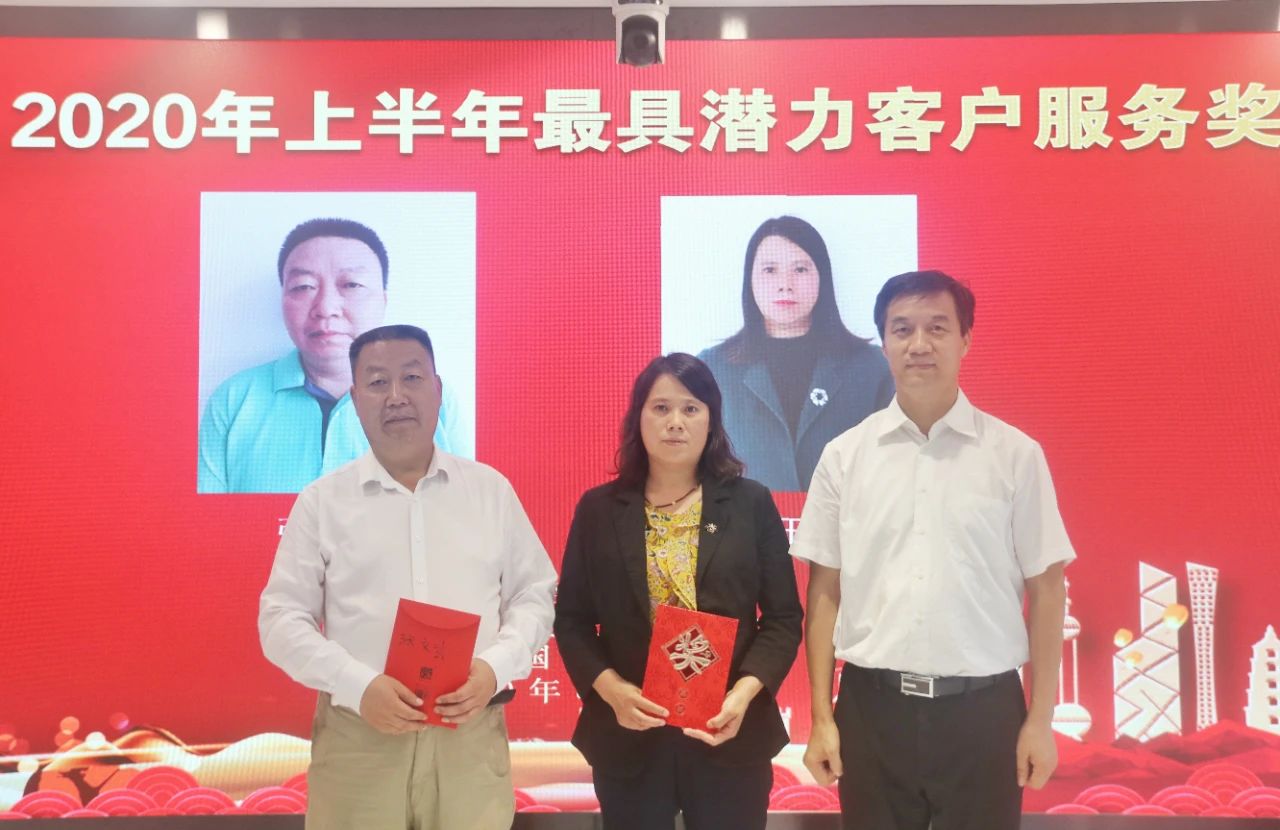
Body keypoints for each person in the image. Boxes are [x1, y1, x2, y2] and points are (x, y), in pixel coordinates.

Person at [792, 270, 1074, 830]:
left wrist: (1040, 720)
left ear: (965, 339)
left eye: (938, 328)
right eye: (902, 329)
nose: (919, 344)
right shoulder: (844, 456)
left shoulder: (1015, 456)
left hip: (984, 715)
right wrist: (821, 718)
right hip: (872, 711)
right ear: (883, 342)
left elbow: (1047, 590)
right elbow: (824, 593)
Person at [259, 324, 556, 830]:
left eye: (412, 378)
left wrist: (494, 668)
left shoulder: (490, 492)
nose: (396, 396)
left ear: (438, 389)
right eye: (377, 382)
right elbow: (280, 621)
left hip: (469, 738)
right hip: (360, 738)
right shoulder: (322, 502)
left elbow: (535, 594)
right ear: (355, 399)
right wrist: (357, 684)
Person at [554, 353, 803, 830]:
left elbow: (783, 619)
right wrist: (612, 690)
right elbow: (572, 621)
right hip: (629, 736)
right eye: (660, 407)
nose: (675, 422)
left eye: (691, 408)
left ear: (711, 420)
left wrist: (742, 695)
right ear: (638, 417)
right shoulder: (599, 509)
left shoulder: (750, 502)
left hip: (728, 733)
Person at [198, 217, 463, 493]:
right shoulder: (234, 400)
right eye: (304, 286)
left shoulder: (435, 399)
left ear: (383, 301)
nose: (326, 308)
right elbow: (205, 517)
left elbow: (467, 511)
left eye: (352, 285)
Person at [698, 216, 893, 493]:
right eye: (770, 270)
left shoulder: (873, 368)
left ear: (822, 277)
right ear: (750, 280)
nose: (785, 284)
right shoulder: (711, 369)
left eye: (800, 269)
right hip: (743, 521)